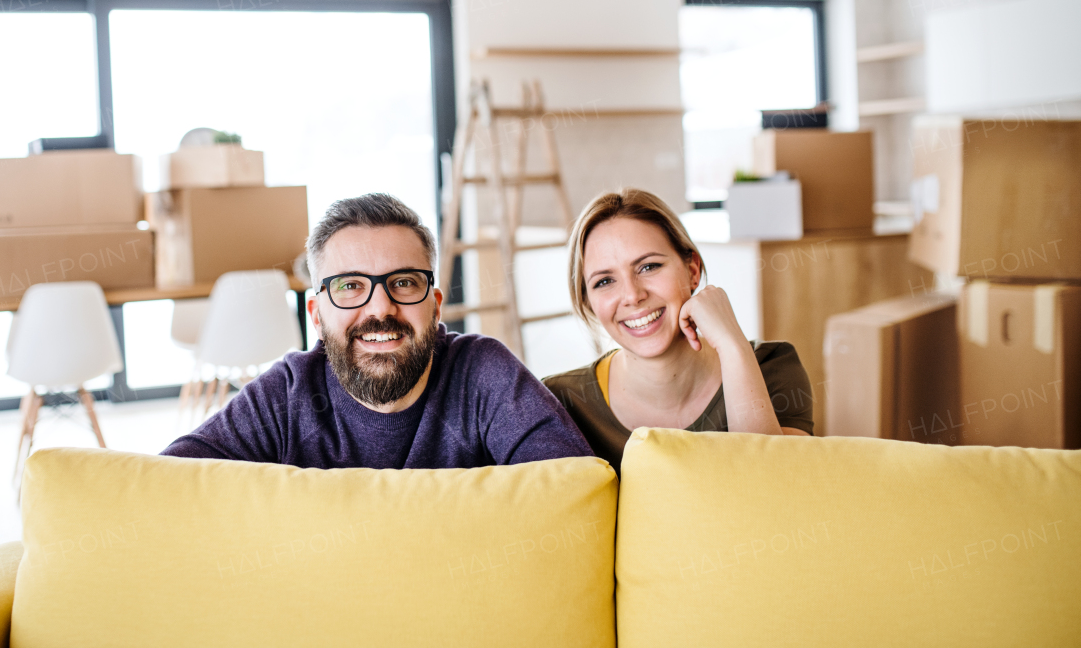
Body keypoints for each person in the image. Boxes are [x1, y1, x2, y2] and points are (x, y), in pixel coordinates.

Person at [163, 193, 593, 469]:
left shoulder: (482, 373)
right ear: (316, 314)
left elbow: (573, 488)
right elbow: (169, 488)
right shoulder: (288, 396)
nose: (380, 308)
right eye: (350, 286)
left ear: (436, 306)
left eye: (404, 283)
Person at [544, 189, 812, 475]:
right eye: (605, 281)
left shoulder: (771, 367)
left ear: (692, 269)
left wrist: (732, 346)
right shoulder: (559, 402)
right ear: (588, 301)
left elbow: (774, 488)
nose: (633, 296)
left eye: (649, 266)